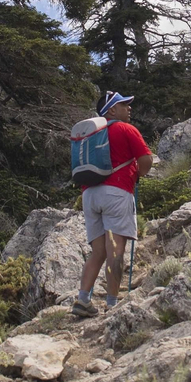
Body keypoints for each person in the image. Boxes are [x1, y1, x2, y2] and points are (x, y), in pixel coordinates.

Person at [71, 90, 153, 318]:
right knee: (115, 250)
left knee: (97, 251)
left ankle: (83, 299)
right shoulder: (126, 129)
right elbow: (146, 160)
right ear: (111, 111)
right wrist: (139, 174)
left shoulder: (91, 135)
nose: (129, 108)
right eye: (123, 104)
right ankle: (112, 304)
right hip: (116, 192)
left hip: (89, 194)